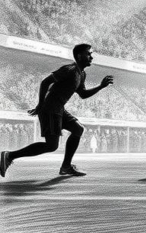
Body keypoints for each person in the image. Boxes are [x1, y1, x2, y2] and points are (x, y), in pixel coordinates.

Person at [1, 44, 114, 178]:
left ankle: (66, 166)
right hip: (50, 108)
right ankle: (9, 156)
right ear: (79, 56)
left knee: (78, 129)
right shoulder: (69, 69)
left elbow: (82, 94)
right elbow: (45, 82)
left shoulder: (81, 74)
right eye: (88, 54)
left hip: (59, 108)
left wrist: (100, 87)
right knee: (51, 145)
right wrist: (40, 105)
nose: (91, 57)